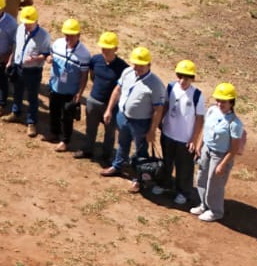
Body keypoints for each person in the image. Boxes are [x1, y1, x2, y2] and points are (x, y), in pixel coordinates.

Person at [102, 47, 168, 185]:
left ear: (149, 65)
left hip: (141, 123)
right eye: (136, 64)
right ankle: (117, 166)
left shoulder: (156, 84)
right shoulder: (127, 72)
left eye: (141, 65)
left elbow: (158, 110)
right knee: (122, 143)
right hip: (123, 117)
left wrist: (151, 131)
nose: (137, 68)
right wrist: (109, 110)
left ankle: (139, 178)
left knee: (141, 151)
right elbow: (118, 90)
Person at [154, 60, 205, 206]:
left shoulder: (197, 95)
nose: (183, 81)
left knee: (184, 167)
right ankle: (164, 184)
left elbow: (200, 119)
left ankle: (183, 192)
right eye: (180, 76)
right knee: (166, 162)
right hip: (168, 134)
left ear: (192, 78)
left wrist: (194, 139)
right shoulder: (170, 87)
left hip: (185, 139)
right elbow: (166, 106)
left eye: (187, 78)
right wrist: (158, 123)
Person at [192, 83, 245, 222]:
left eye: (224, 101)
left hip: (220, 155)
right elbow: (206, 128)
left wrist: (222, 164)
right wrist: (199, 145)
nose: (220, 103)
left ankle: (215, 211)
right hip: (206, 150)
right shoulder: (212, 111)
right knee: (202, 177)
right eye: (218, 100)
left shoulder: (235, 124)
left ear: (231, 102)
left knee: (214, 183)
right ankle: (204, 204)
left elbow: (233, 148)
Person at [79, 32, 128, 163]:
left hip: (111, 105)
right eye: (103, 48)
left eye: (108, 48)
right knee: (90, 128)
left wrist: (112, 107)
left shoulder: (123, 68)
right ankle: (88, 150)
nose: (104, 51)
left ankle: (106, 155)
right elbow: (92, 76)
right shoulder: (96, 60)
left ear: (115, 49)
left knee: (110, 132)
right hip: (94, 100)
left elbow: (123, 87)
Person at [48, 18, 92, 150]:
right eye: (66, 34)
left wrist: (80, 93)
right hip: (55, 86)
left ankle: (65, 141)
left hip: (70, 91)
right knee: (54, 111)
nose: (68, 38)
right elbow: (50, 55)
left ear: (78, 35)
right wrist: (49, 58)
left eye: (71, 35)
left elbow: (84, 75)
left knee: (67, 116)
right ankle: (54, 133)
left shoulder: (84, 54)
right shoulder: (57, 44)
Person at [9, 6, 52, 137]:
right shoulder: (20, 28)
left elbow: (46, 54)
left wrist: (35, 58)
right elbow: (16, 46)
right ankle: (15, 112)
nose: (26, 25)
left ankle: (31, 122)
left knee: (32, 97)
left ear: (36, 21)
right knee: (17, 91)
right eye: (25, 23)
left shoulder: (44, 36)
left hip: (33, 70)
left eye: (29, 23)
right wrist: (11, 60)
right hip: (18, 66)